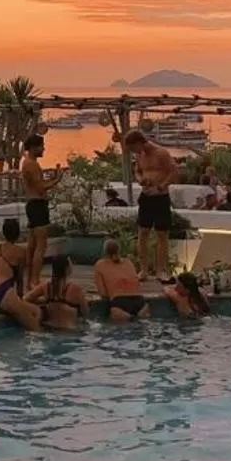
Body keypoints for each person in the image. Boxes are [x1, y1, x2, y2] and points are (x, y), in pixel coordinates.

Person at [122, 128, 178, 280]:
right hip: (146, 196)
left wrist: (162, 185)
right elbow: (137, 171)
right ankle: (143, 269)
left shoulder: (161, 153)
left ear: (140, 142)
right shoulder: (140, 155)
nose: (134, 151)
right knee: (143, 233)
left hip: (160, 196)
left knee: (161, 234)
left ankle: (161, 270)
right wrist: (140, 179)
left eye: (134, 148)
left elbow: (174, 171)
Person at [20, 134, 62, 282]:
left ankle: (30, 279)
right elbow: (40, 187)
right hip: (37, 205)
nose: (43, 149)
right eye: (41, 146)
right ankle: (34, 280)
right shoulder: (31, 164)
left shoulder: (29, 163)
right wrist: (57, 180)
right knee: (41, 246)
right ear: (33, 147)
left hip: (33, 205)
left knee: (32, 246)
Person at [0, 215, 39, 327]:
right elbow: (19, 280)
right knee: (33, 322)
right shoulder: (20, 252)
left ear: (4, 232)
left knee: (35, 310)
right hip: (4, 293)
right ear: (18, 233)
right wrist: (20, 299)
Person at [26, 253, 87, 331]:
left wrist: (42, 302)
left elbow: (26, 299)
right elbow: (85, 312)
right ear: (66, 269)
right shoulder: (75, 289)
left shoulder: (46, 286)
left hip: (50, 329)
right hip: (69, 332)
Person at [91, 237, 148, 320]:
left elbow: (103, 294)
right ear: (119, 250)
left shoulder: (100, 264)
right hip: (140, 302)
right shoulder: (128, 262)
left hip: (119, 303)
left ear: (105, 251)